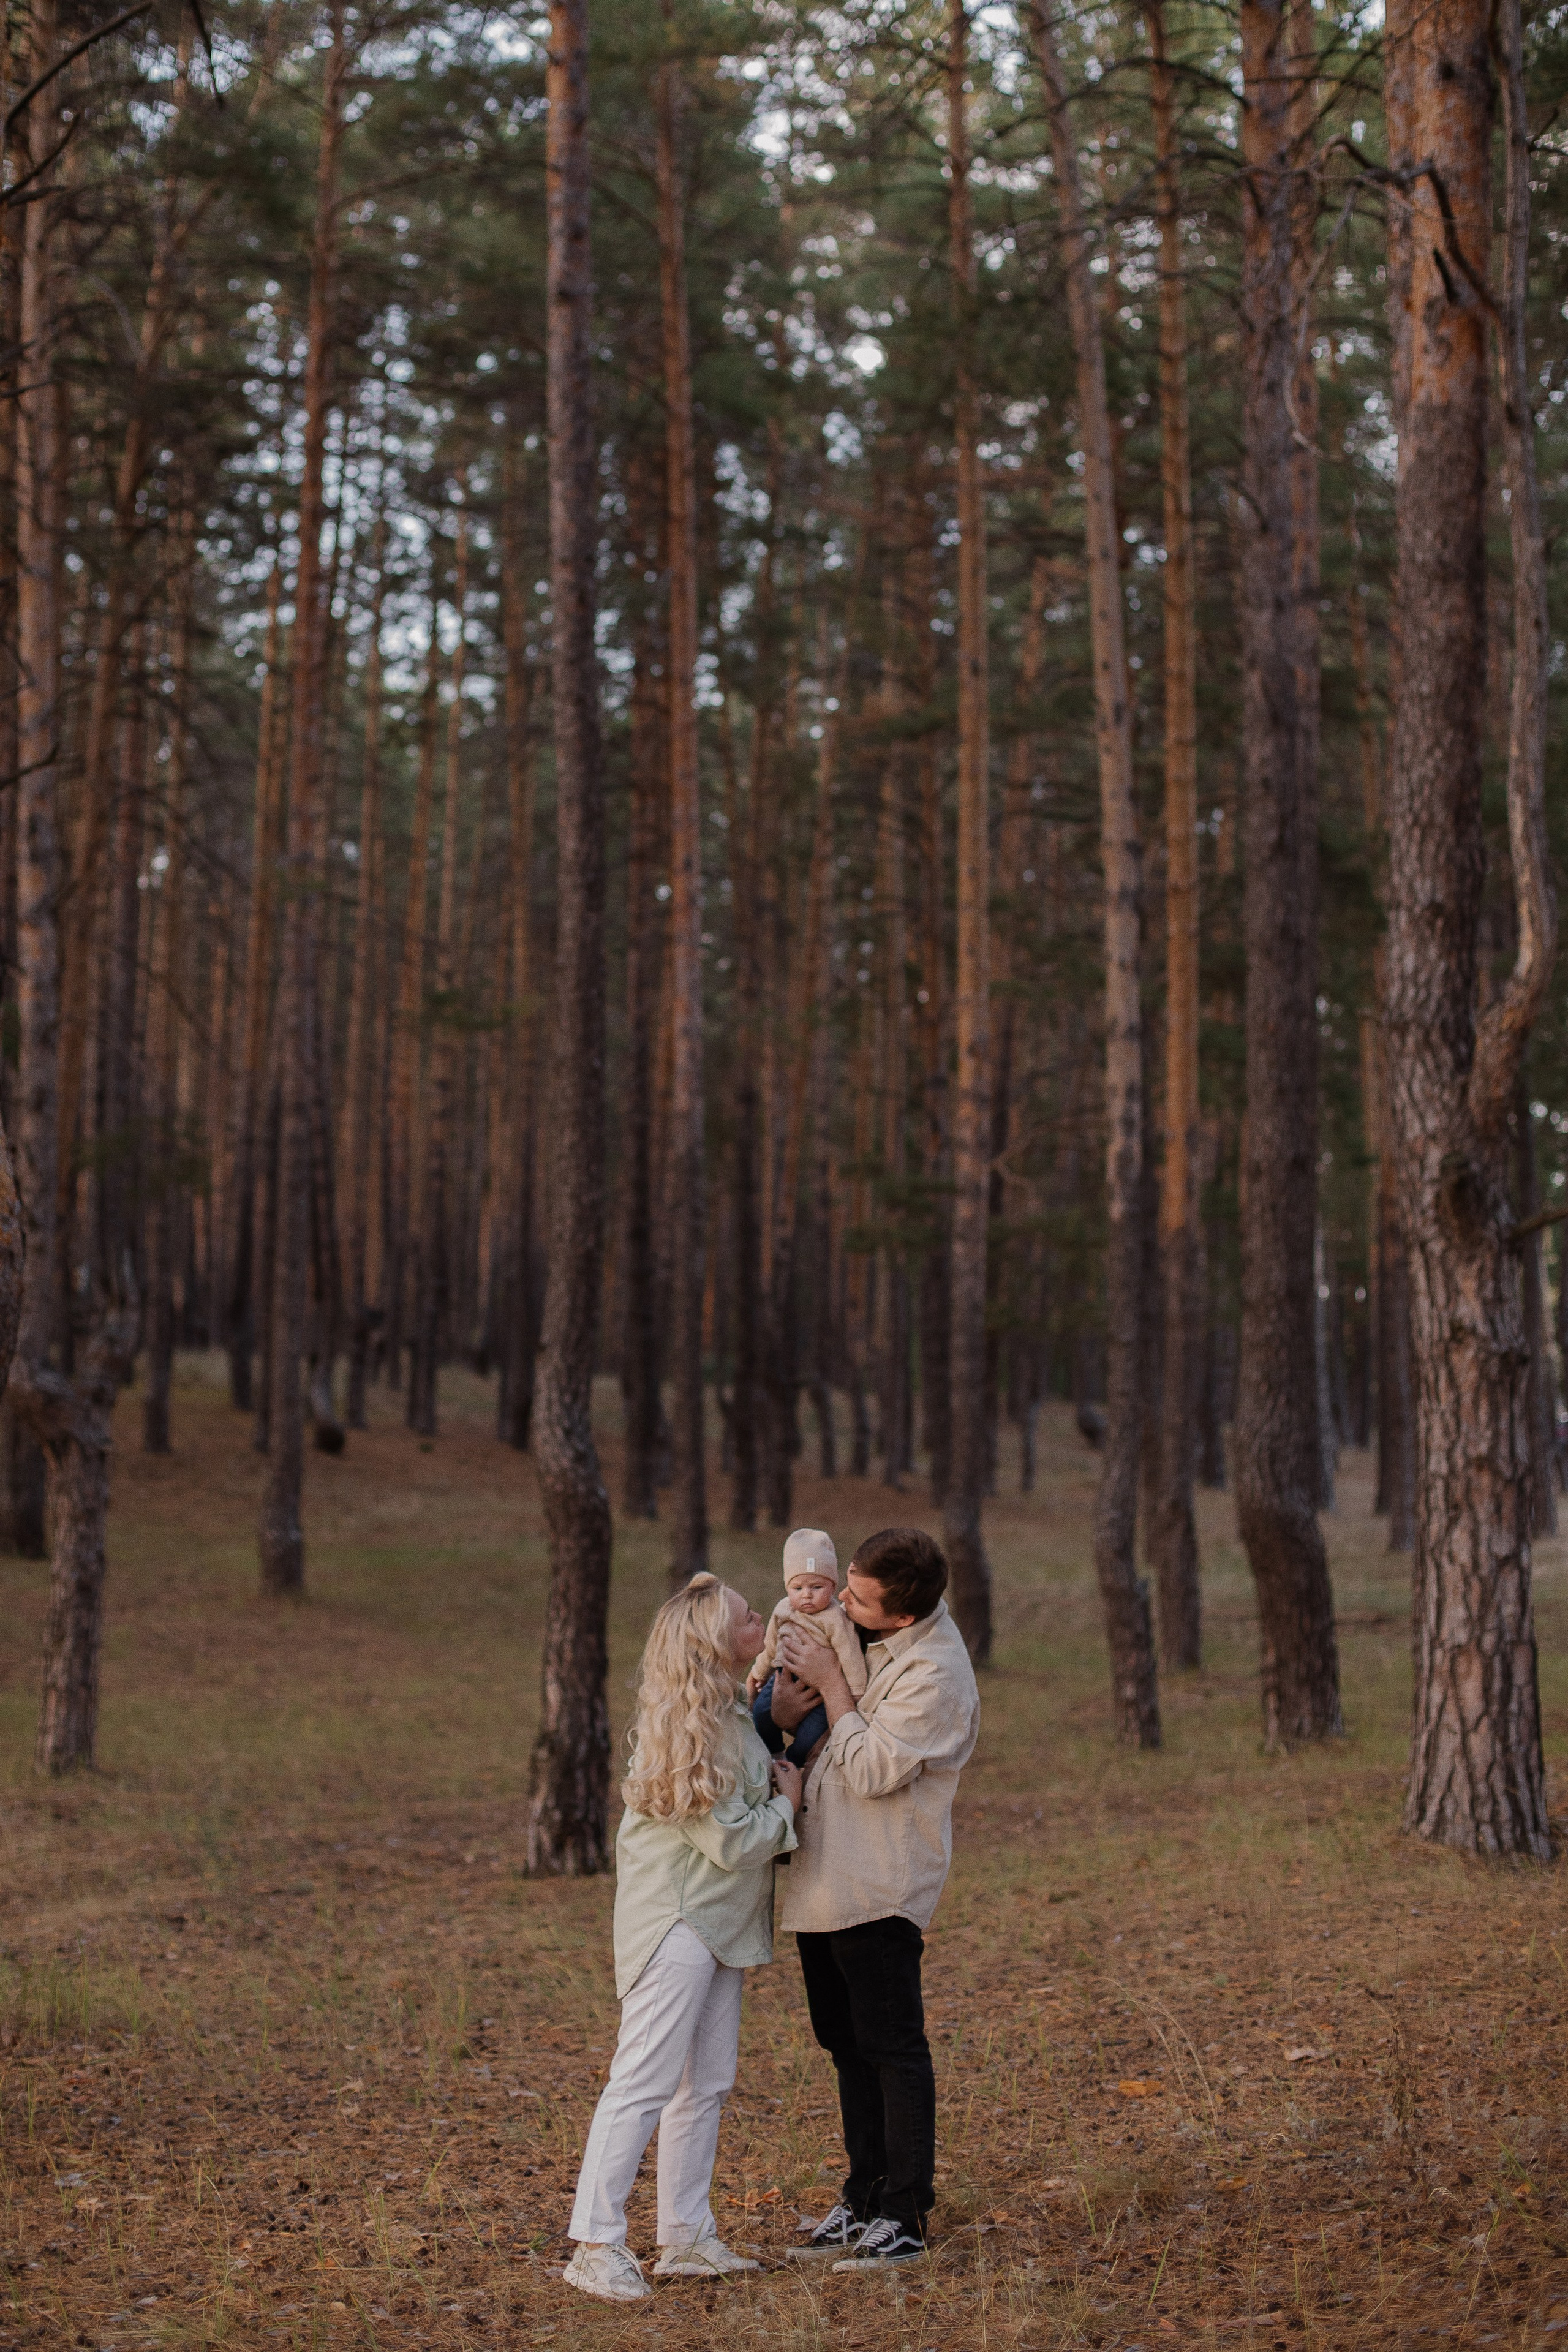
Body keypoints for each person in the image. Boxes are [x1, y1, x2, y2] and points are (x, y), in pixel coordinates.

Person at [563, 1574, 803, 2304]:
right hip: (676, 1922)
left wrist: (773, 1715)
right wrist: (790, 1803)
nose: (759, 1616)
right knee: (643, 2080)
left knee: (706, 2085)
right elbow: (731, 1841)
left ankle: (685, 2237)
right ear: (712, 1641)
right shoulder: (682, 1728)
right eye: (745, 1616)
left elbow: (744, 1764)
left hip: (720, 1925)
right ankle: (594, 2244)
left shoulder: (728, 1709)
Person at [771, 1526, 979, 2274]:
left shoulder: (936, 1675)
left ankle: (905, 2216)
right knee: (844, 2045)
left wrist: (830, 1683)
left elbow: (869, 1771)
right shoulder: (864, 1633)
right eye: (845, 1584)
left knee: (891, 2048)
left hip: (879, 1882)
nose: (840, 1601)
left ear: (899, 1616)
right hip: (826, 1876)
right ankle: (861, 2198)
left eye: (856, 1598)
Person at [745, 1527, 867, 1768]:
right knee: (760, 1713)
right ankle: (774, 1753)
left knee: (811, 1738)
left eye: (817, 1587)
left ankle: (793, 1764)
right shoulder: (783, 1609)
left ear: (833, 1587)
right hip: (782, 1676)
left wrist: (856, 1690)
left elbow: (850, 1652)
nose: (807, 1596)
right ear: (787, 1587)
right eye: (798, 1588)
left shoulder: (835, 1618)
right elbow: (771, 1645)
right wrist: (760, 1673)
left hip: (821, 1691)